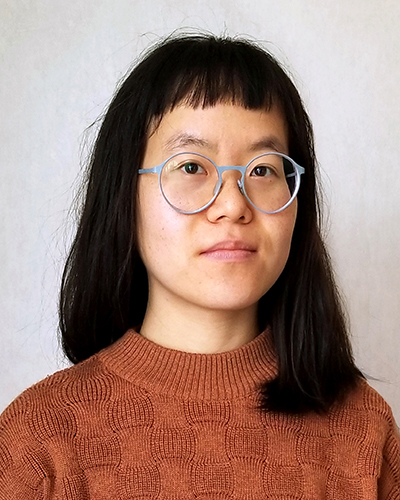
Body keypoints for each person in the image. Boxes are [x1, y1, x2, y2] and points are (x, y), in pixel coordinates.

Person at [0, 33, 399, 499]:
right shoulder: (37, 442)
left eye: (264, 169)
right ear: (124, 198)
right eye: (191, 167)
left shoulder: (363, 431)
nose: (232, 205)